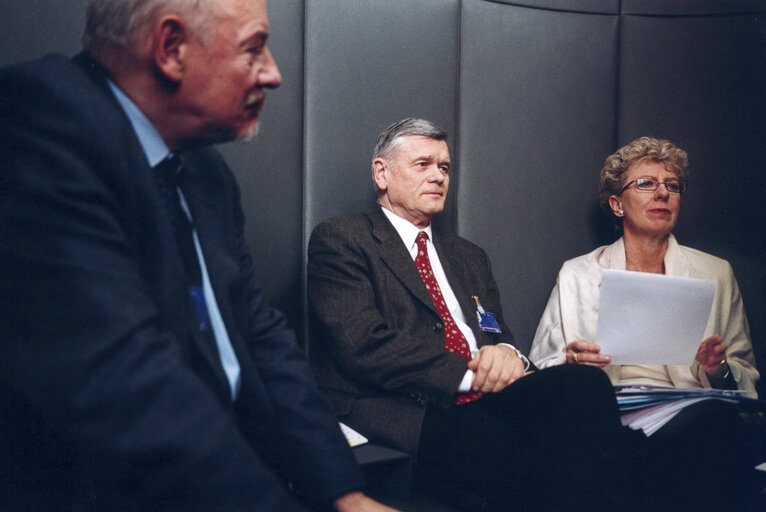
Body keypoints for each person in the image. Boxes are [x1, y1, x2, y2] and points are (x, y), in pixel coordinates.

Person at [0, 1, 395, 511]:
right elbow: (125, 382)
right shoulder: (38, 124)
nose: (273, 74)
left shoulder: (206, 173)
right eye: (253, 49)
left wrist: (346, 493)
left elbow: (260, 339)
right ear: (170, 49)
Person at [307, 118, 640, 512]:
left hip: (487, 396)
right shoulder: (344, 238)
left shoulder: (467, 255)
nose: (438, 177)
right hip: (406, 408)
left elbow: (496, 334)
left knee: (583, 384)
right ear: (382, 173)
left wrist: (509, 356)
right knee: (519, 445)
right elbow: (361, 343)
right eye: (423, 165)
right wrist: (471, 374)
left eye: (444, 168)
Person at [529, 136, 761, 511]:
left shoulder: (716, 272)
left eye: (672, 186)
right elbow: (541, 368)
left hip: (691, 409)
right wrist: (573, 363)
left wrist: (718, 369)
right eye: (646, 184)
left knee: (715, 425)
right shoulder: (579, 273)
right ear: (617, 204)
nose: (663, 194)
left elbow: (746, 376)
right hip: (606, 411)